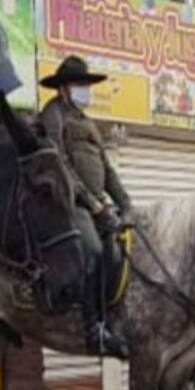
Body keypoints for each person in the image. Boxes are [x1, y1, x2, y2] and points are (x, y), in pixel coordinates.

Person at [39, 56, 131, 359]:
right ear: (63, 88)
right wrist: (91, 203)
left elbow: (106, 167)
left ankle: (110, 318)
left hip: (97, 205)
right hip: (68, 204)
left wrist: (125, 204)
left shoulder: (86, 121)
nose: (84, 90)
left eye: (86, 85)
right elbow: (59, 164)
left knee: (119, 249)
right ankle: (93, 330)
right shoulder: (53, 115)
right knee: (91, 250)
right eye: (79, 85)